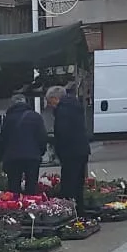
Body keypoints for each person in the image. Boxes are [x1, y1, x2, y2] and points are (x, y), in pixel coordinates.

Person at [50, 83, 91, 211]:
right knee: (78, 183)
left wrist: (56, 145)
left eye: (49, 101)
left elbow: (63, 132)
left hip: (70, 152)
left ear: (55, 98)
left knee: (68, 183)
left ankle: (69, 211)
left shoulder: (62, 110)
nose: (49, 105)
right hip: (82, 149)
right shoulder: (74, 106)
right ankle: (80, 209)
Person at [0, 93, 46, 193]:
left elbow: (3, 139)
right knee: (31, 188)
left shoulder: (8, 118)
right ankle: (31, 207)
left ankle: (15, 207)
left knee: (14, 188)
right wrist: (40, 151)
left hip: (13, 158)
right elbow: (42, 137)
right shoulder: (35, 117)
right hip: (32, 157)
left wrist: (0, 156)